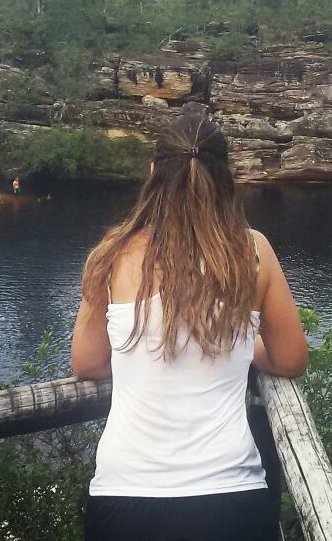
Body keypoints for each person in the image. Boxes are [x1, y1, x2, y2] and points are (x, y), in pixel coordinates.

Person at [71, 113, 308, 541]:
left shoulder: (111, 254)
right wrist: (244, 348)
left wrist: (137, 358)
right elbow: (290, 360)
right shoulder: (252, 252)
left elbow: (87, 363)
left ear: (152, 173)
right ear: (226, 177)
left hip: (126, 496)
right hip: (232, 495)